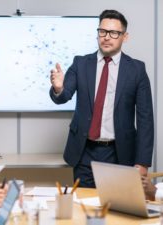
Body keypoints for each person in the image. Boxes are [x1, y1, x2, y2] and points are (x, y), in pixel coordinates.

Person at [49, 9, 154, 187]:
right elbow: (63, 97)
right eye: (102, 31)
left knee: (118, 208)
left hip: (119, 153)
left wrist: (143, 162)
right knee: (83, 208)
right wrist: (58, 88)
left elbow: (145, 119)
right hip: (84, 152)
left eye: (114, 33)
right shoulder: (80, 64)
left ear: (124, 37)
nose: (106, 37)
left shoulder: (136, 70)